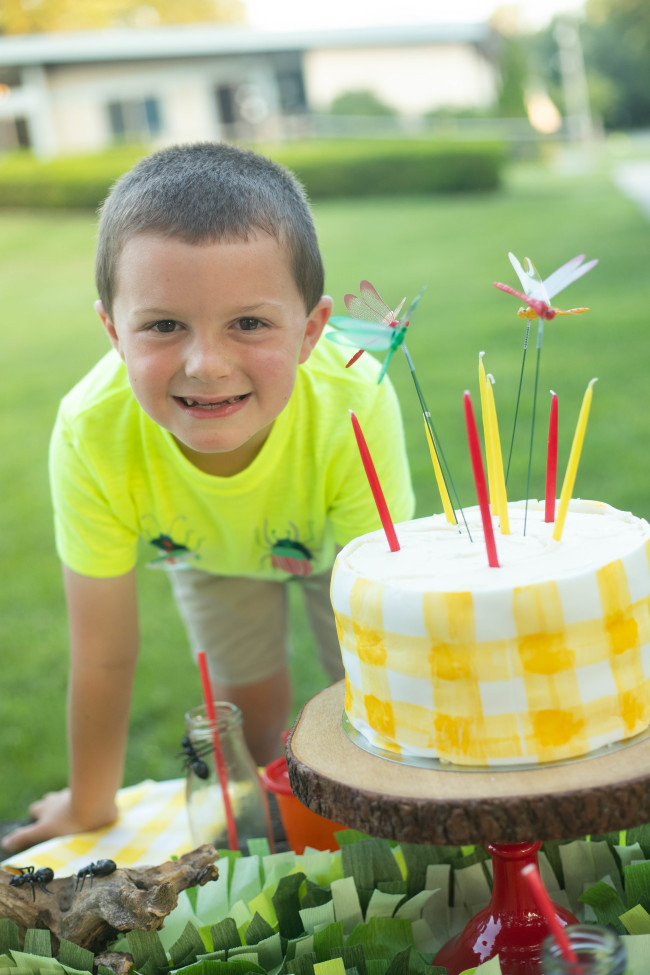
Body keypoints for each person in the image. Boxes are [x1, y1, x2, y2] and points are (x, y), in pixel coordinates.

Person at [2, 142, 414, 853]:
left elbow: (387, 619)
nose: (207, 364)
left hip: (347, 555)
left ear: (311, 331)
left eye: (249, 323)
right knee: (250, 714)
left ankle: (392, 827)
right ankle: (280, 837)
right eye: (163, 325)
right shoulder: (89, 431)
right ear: (112, 332)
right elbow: (102, 650)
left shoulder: (355, 396)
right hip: (207, 551)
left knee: (367, 687)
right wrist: (90, 803)